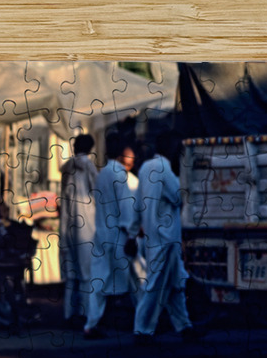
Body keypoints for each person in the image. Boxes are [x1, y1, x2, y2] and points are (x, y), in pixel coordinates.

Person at [133, 134, 196, 344]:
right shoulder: (164, 168)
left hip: (155, 235)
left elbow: (139, 203)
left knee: (175, 282)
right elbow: (178, 196)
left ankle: (184, 326)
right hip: (165, 236)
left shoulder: (144, 169)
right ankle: (141, 330)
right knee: (156, 283)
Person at [83, 138, 139, 339]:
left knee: (98, 281)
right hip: (118, 235)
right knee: (136, 278)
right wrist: (132, 235)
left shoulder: (102, 174)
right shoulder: (119, 175)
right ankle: (145, 322)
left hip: (102, 234)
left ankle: (91, 324)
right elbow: (125, 208)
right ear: (122, 156)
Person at [58, 134, 98, 326]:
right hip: (87, 228)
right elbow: (98, 193)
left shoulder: (67, 168)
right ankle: (84, 316)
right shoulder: (88, 167)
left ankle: (67, 314)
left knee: (71, 275)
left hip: (67, 227)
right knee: (86, 274)